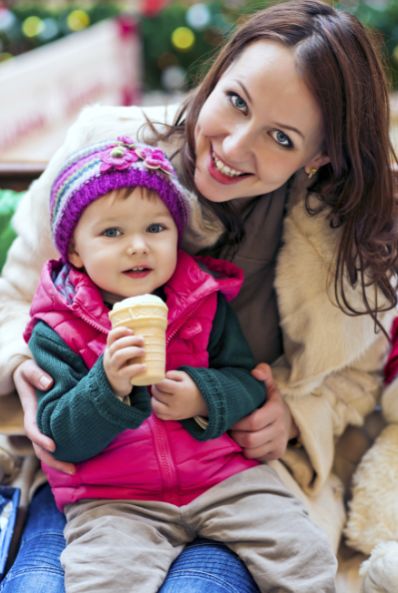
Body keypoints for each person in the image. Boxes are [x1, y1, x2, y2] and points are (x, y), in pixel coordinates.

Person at [0, 0, 397, 591]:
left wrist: (290, 417)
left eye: (280, 138)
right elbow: (14, 300)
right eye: (236, 101)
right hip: (94, 482)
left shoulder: (348, 241)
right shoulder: (102, 154)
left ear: (317, 157)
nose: (235, 147)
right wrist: (27, 373)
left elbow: (353, 381)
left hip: (235, 480)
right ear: (217, 74)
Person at [24, 137, 336, 593]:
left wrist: (201, 395)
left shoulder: (203, 302)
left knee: (303, 554)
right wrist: (106, 385)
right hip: (116, 500)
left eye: (156, 228)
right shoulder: (57, 329)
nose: (137, 247)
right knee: (99, 579)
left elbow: (246, 383)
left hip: (225, 480)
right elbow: (59, 436)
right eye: (112, 233)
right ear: (74, 252)